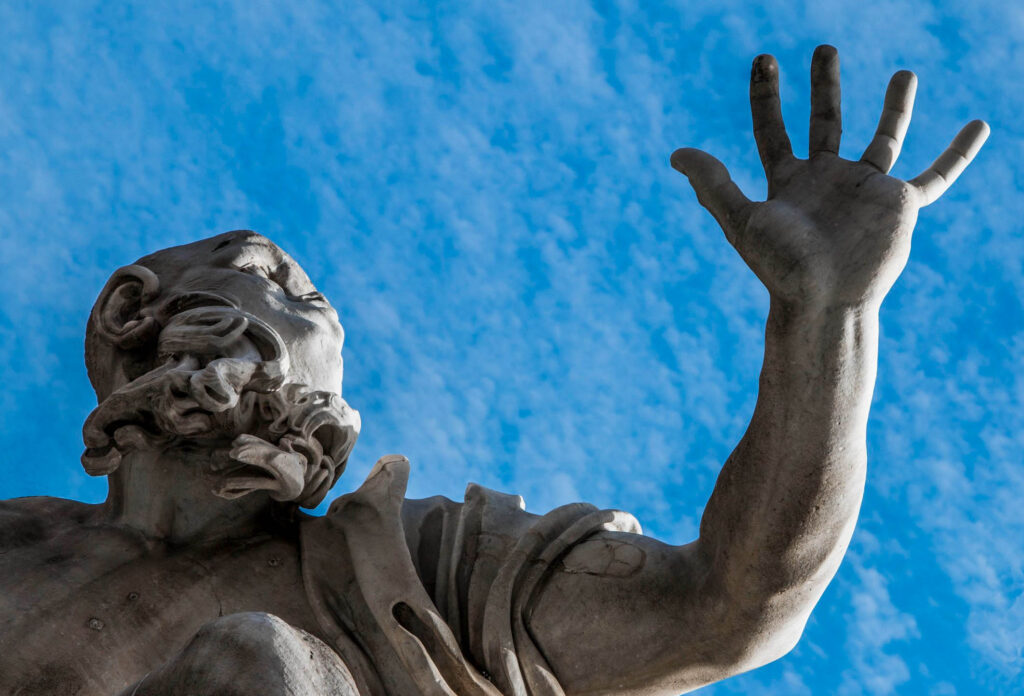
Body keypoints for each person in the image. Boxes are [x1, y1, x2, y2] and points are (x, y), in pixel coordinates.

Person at [0, 46, 987, 695]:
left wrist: (826, 319)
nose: (313, 337)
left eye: (323, 327)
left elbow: (726, 609)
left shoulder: (437, 569)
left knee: (258, 662)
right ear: (133, 309)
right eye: (282, 285)